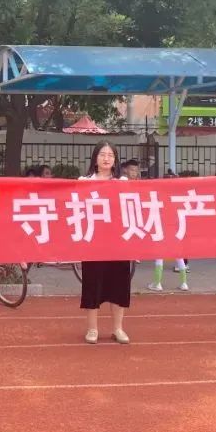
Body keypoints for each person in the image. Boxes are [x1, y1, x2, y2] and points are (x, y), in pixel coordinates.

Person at [79, 141, 132, 344]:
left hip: (118, 242)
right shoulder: (84, 182)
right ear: (95, 158)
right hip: (93, 241)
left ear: (115, 160)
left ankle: (118, 328)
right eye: (102, 154)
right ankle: (92, 329)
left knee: (119, 285)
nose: (106, 158)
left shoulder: (123, 182)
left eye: (110, 155)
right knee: (92, 284)